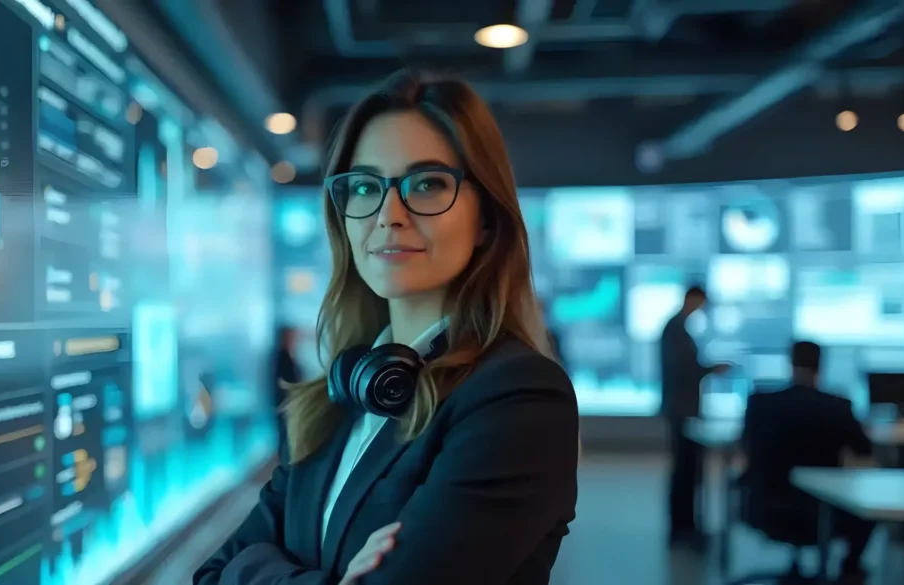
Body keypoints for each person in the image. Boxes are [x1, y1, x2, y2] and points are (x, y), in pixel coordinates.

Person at [193, 70, 578, 585]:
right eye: (364, 186)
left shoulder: (518, 398)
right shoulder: (333, 400)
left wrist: (260, 570)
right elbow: (212, 574)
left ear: (486, 216)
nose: (389, 215)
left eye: (426, 183)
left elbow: (236, 570)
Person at [742, 341, 874, 584]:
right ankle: (850, 569)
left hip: (764, 508)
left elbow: (744, 448)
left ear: (790, 364)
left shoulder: (760, 404)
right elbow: (864, 449)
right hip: (825, 512)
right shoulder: (837, 406)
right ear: (820, 366)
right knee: (869, 504)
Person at [659, 285, 729, 546]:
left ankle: (687, 527)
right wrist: (712, 369)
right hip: (681, 411)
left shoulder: (678, 328)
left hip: (684, 410)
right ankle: (682, 530)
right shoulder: (675, 330)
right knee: (685, 472)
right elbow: (684, 370)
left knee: (689, 471)